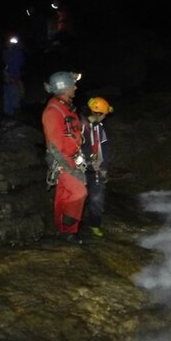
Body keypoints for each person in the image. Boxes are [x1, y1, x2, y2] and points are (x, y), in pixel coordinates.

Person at [41, 71, 87, 243]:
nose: (75, 87)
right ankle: (69, 227)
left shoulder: (66, 106)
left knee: (65, 193)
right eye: (72, 85)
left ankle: (65, 231)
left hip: (72, 156)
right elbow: (54, 146)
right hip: (61, 159)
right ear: (65, 88)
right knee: (78, 191)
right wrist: (69, 168)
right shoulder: (53, 111)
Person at [80, 97, 114, 237]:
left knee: (96, 198)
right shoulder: (80, 126)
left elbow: (104, 148)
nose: (105, 117)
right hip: (80, 168)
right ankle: (74, 225)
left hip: (96, 168)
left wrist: (104, 168)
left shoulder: (99, 128)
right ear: (97, 113)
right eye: (105, 114)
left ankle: (95, 224)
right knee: (79, 196)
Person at [2, 34, 25, 117]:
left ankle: (14, 113)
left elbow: (21, 65)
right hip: (7, 79)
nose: (11, 43)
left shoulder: (18, 53)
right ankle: (9, 114)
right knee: (8, 96)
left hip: (15, 79)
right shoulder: (4, 53)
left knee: (15, 95)